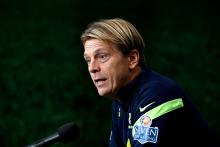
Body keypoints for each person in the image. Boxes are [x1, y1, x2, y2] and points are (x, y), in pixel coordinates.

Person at [81, 18, 218, 146]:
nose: (92, 68)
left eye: (102, 56)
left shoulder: (158, 95)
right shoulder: (119, 100)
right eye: (88, 60)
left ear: (132, 59)